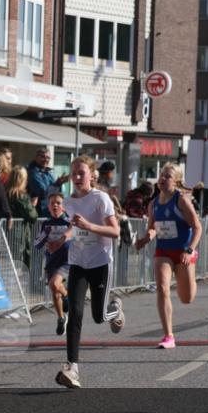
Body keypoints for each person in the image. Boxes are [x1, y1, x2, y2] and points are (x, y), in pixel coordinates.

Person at [48, 156, 124, 389]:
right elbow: (74, 227)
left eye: (82, 173)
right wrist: (63, 238)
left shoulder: (101, 199)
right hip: (78, 262)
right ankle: (72, 367)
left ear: (92, 175)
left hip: (100, 262)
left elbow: (115, 231)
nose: (77, 177)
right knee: (76, 313)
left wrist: (90, 226)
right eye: (74, 173)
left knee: (99, 316)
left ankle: (116, 309)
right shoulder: (69, 202)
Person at [134, 163, 203, 349]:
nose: (163, 179)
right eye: (162, 175)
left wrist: (190, 250)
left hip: (183, 251)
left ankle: (189, 276)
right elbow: (152, 228)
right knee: (162, 288)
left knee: (187, 298)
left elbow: (197, 228)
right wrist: (144, 239)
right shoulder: (153, 204)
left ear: (176, 181)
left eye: (168, 176)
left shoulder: (182, 201)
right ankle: (168, 336)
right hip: (163, 251)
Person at [35, 192, 70, 336]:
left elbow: (78, 240)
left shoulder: (69, 223)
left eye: (58, 203)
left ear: (64, 207)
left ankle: (66, 296)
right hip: (52, 261)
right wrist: (45, 236)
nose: (55, 205)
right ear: (48, 207)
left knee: (54, 284)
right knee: (55, 293)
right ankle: (61, 318)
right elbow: (37, 244)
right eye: (52, 203)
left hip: (67, 261)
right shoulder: (46, 224)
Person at [6, 167, 38, 266]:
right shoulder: (20, 195)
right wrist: (32, 205)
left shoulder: (5, 193)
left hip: (6, 233)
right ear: (22, 180)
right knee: (19, 265)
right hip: (19, 235)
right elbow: (32, 216)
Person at [27, 147, 70, 217]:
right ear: (36, 157)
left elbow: (55, 193)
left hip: (49, 210)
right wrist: (56, 184)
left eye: (48, 158)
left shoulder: (48, 172)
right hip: (40, 212)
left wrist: (59, 184)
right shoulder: (32, 172)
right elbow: (42, 191)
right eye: (43, 157)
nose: (45, 160)